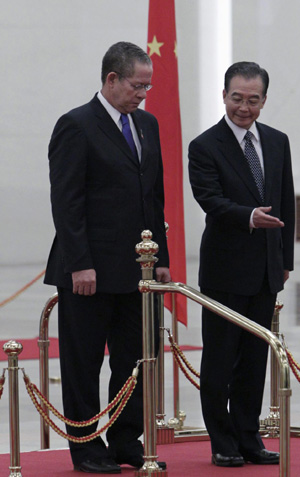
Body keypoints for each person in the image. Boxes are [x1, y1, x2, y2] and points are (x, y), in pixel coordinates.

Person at [44, 41, 171, 474]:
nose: (143, 95)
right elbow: (67, 201)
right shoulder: (76, 125)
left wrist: (163, 259)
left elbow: (154, 196)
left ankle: (124, 440)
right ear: (112, 79)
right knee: (83, 363)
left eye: (148, 87)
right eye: (138, 86)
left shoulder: (147, 125)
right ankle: (86, 446)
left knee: (134, 359)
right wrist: (81, 262)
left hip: (138, 271)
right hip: (88, 271)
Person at [188, 61, 295, 467]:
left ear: (264, 100)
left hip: (267, 269)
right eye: (237, 98)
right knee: (220, 359)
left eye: (253, 100)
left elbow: (286, 200)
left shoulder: (278, 141)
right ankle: (223, 441)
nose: (243, 108)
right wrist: (249, 216)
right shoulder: (204, 146)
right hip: (224, 269)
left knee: (254, 359)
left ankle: (249, 437)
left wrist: (284, 257)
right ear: (224, 96)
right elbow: (210, 200)